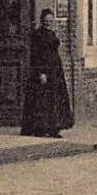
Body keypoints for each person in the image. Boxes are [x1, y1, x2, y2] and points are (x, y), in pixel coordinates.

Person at [22, 9, 74, 139]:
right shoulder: (37, 35)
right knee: (42, 100)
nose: (48, 23)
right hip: (44, 70)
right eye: (46, 21)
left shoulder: (52, 33)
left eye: (51, 21)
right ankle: (40, 127)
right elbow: (36, 55)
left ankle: (53, 127)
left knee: (55, 99)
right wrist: (41, 72)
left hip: (55, 71)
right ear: (42, 21)